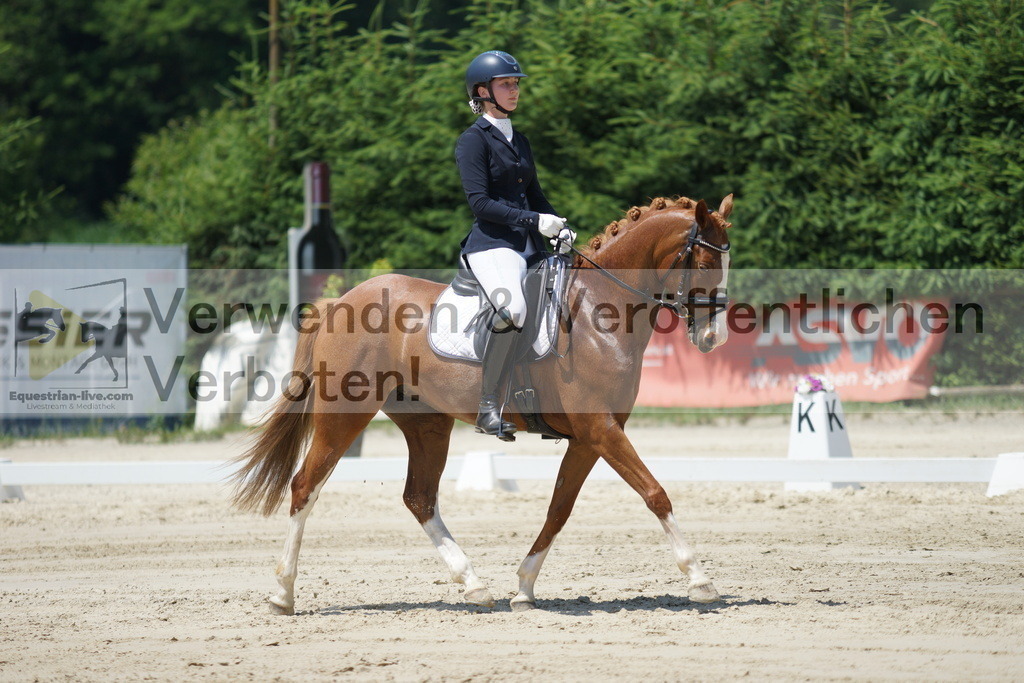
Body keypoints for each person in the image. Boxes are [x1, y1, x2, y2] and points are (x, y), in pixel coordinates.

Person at [456, 50, 576, 439]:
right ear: (482, 91)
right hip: (493, 245)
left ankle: (542, 405)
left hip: (531, 246)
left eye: (516, 83)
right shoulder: (472, 141)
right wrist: (534, 221)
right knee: (513, 309)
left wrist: (558, 224)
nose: (515, 90)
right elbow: (480, 203)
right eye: (506, 83)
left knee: (560, 308)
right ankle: (488, 405)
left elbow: (536, 195)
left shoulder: (520, 140)